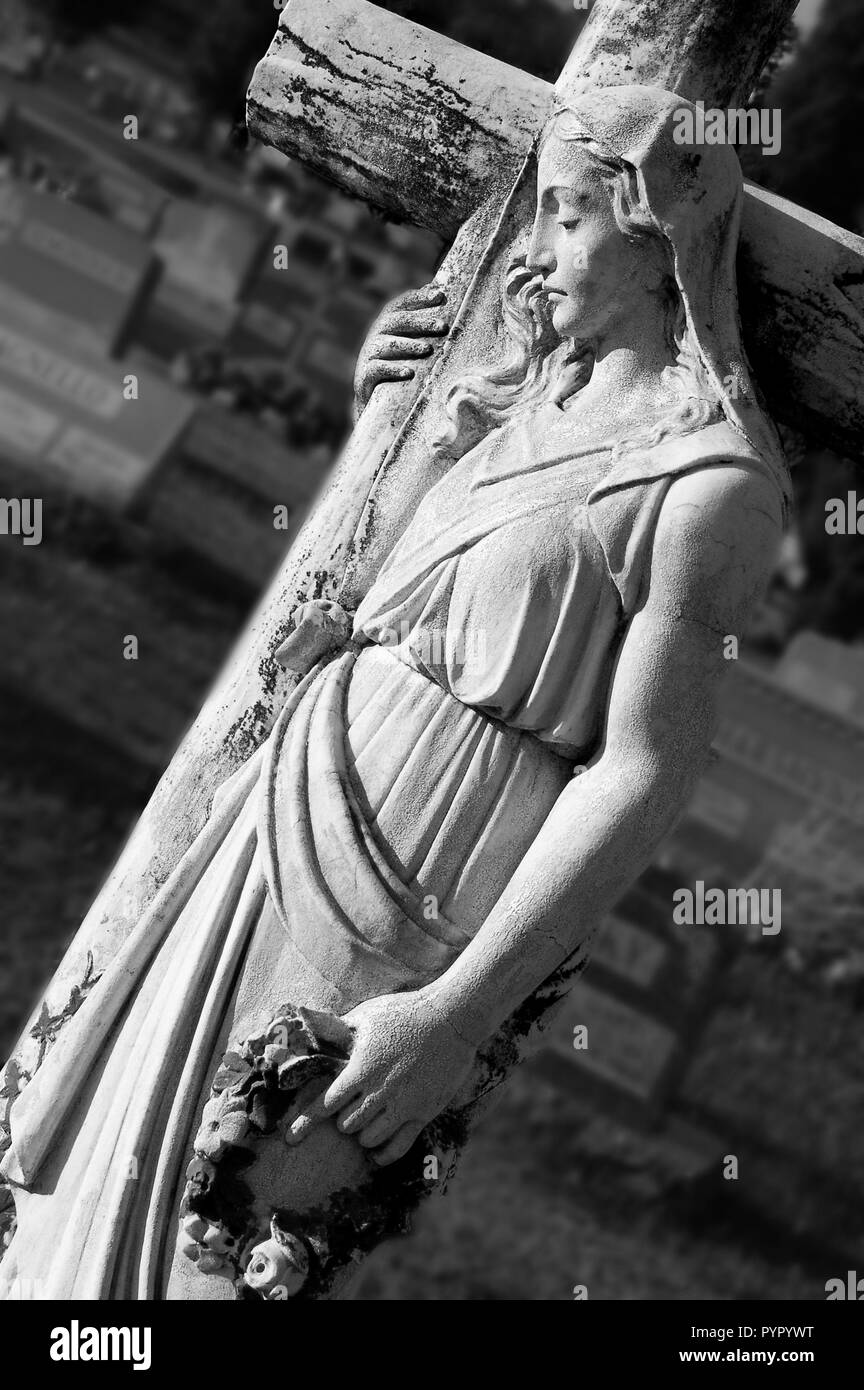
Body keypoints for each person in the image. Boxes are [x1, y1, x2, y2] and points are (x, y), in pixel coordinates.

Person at [0, 86, 791, 1300]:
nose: (536, 248)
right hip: (272, 829)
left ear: (656, 235)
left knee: (222, 1227)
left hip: (419, 877)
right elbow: (376, 591)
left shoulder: (707, 484)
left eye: (571, 216)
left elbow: (641, 771)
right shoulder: (530, 393)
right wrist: (398, 416)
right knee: (108, 1183)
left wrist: (460, 1016)